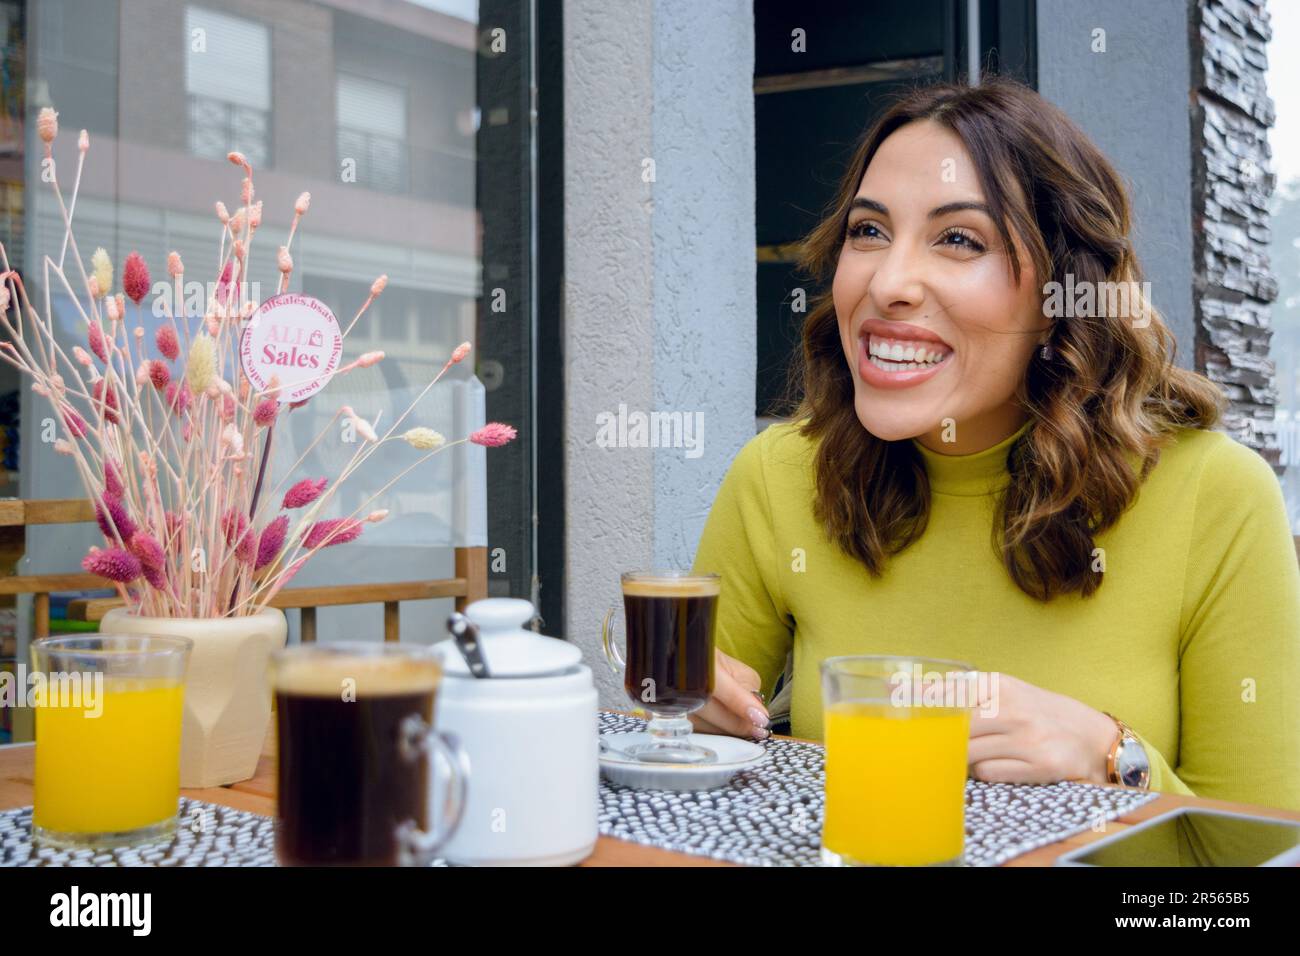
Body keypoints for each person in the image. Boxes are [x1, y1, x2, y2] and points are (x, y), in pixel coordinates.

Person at [689, 76, 1300, 810]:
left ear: (1058, 297)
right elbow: (698, 748)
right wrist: (685, 710)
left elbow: (1257, 854)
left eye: (958, 239)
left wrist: (1113, 756)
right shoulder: (780, 475)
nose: (889, 282)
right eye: (869, 231)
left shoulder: (1215, 497)